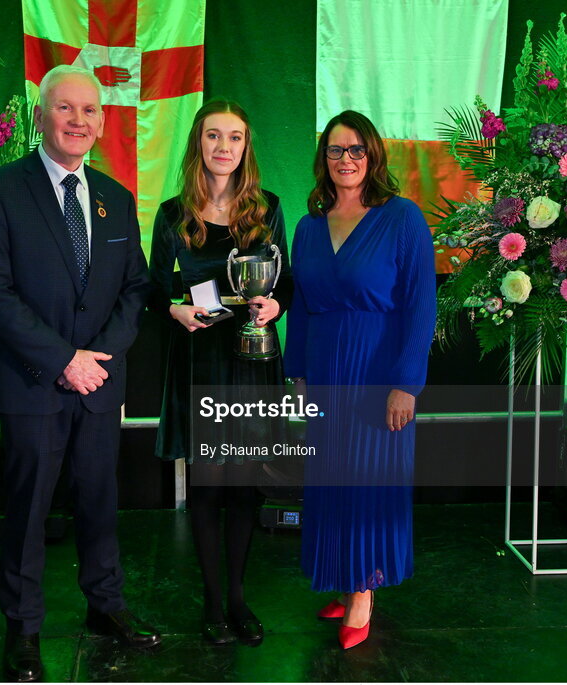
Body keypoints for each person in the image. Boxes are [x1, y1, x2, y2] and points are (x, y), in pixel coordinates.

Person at [0, 65, 158, 682]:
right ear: (41, 114)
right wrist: (62, 361)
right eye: (66, 109)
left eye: (91, 111)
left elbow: (136, 288)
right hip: (31, 384)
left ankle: (106, 607)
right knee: (26, 512)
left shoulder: (116, 198)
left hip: (99, 385)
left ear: (103, 122)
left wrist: (97, 360)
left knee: (100, 502)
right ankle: (22, 630)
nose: (80, 121)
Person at [283, 110, 436, 650]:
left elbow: (421, 307)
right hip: (324, 370)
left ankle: (364, 596)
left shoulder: (403, 219)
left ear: (372, 156)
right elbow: (300, 307)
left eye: (355, 150)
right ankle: (345, 580)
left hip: (377, 370)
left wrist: (406, 384)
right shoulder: (307, 226)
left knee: (369, 482)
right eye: (335, 151)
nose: (345, 160)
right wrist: (296, 374)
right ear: (323, 160)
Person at [148, 99, 292, 646]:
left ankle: (236, 598)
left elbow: (287, 283)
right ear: (198, 143)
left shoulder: (268, 207)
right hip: (201, 359)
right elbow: (156, 287)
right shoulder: (171, 214)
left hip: (253, 361)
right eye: (213, 136)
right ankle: (212, 603)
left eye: (234, 137)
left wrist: (274, 306)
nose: (223, 147)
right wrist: (174, 309)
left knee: (245, 488)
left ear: (246, 147)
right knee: (208, 487)